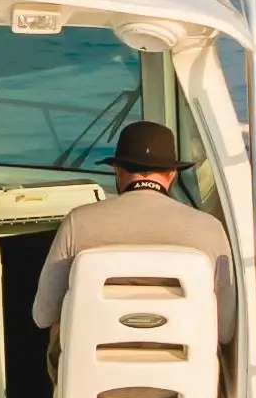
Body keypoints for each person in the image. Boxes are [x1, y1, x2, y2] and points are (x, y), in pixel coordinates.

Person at [28, 119, 233, 335]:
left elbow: (44, 315)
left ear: (117, 171)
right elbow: (226, 328)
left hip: (93, 366)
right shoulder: (209, 228)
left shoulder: (78, 222)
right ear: (172, 173)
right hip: (185, 365)